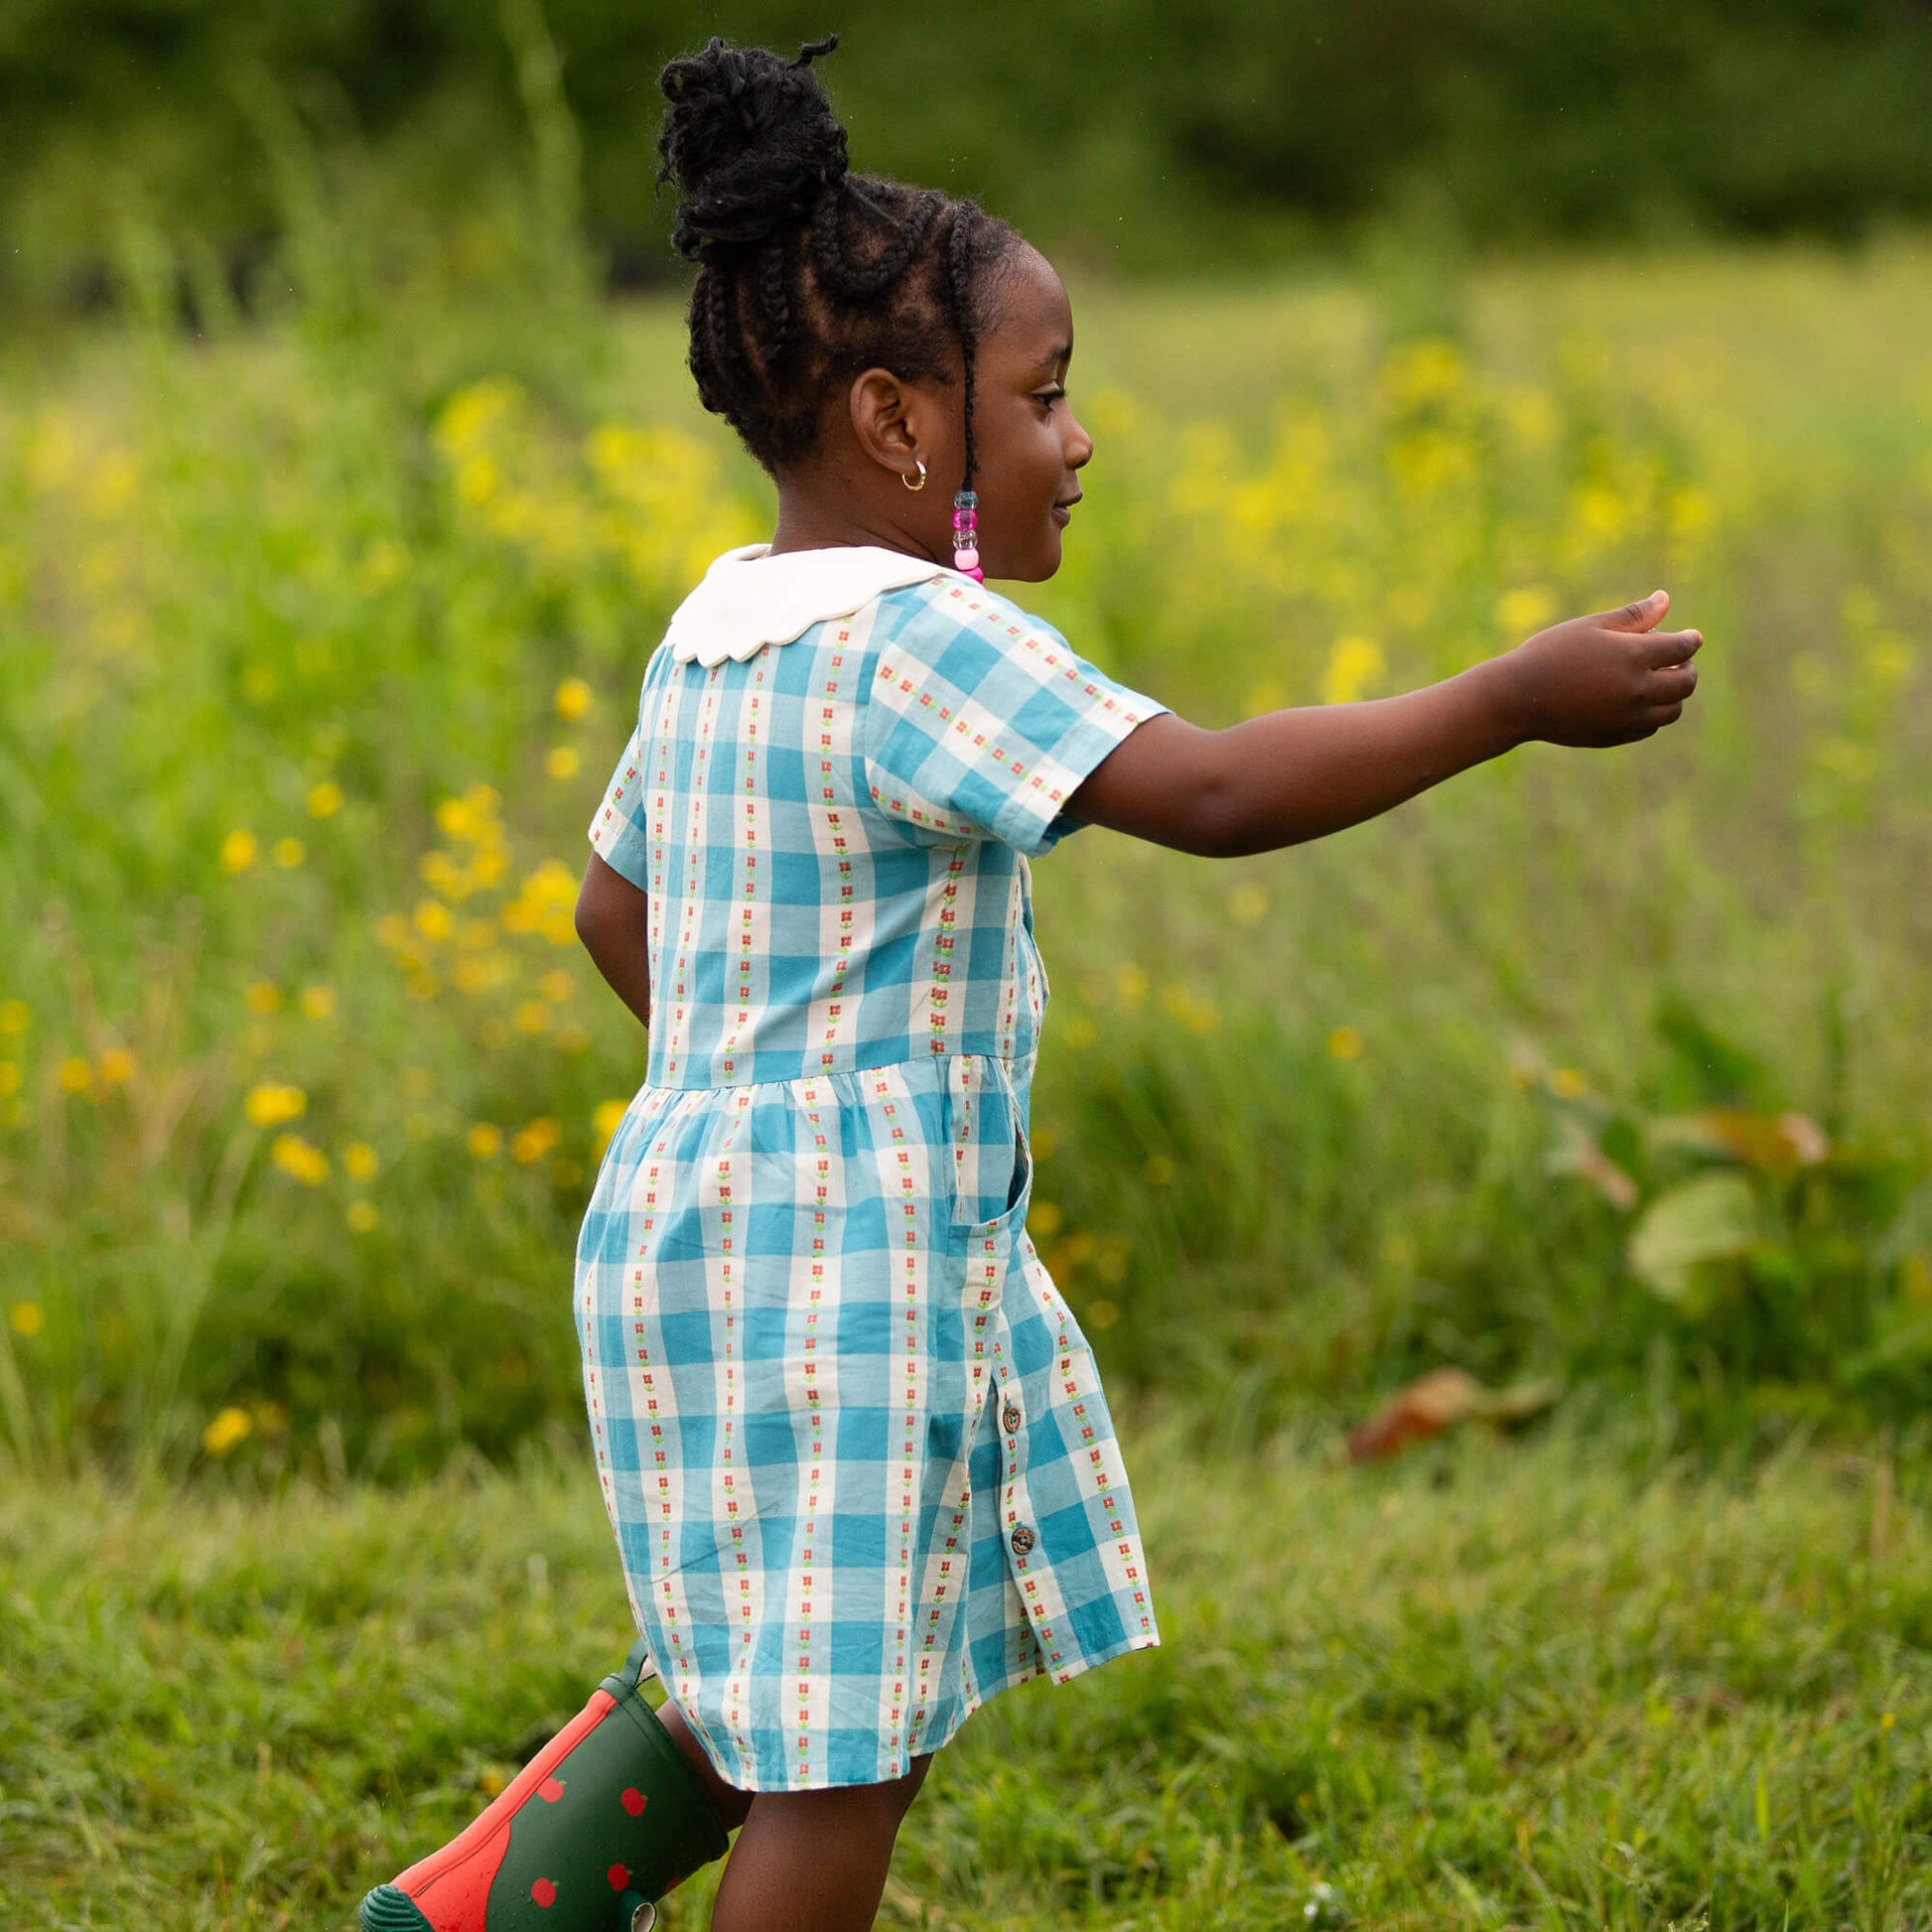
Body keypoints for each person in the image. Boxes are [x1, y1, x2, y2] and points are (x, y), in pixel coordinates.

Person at [363, 32, 1703, 1932]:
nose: (1076, 439)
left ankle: (468, 1915)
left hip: (682, 1222)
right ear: (906, 423)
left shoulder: (718, 631)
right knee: (839, 1769)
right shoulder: (919, 634)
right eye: (1047, 396)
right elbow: (1219, 790)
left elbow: (608, 905)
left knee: (762, 1690)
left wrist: (752, 1092)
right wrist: (1503, 700)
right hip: (837, 1261)